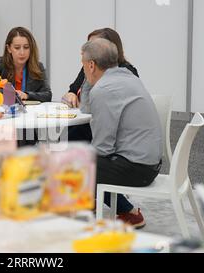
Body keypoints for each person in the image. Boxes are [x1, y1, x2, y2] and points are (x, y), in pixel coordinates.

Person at [81, 38, 163, 228]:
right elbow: (86, 110)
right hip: (149, 163)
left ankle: (123, 211)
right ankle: (117, 208)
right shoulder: (127, 76)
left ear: (91, 65)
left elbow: (102, 148)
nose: (84, 70)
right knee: (83, 157)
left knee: (75, 162)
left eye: (84, 65)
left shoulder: (103, 90)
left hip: (138, 169)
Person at [62, 28, 139, 142]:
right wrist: (71, 94)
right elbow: (73, 89)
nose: (89, 50)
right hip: (87, 123)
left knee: (67, 142)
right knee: (63, 138)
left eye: (93, 45)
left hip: (111, 131)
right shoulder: (90, 66)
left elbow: (103, 105)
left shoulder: (125, 71)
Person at [0, 26, 52, 103]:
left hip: (29, 113)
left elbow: (47, 95)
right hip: (5, 112)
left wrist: (26, 95)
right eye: (17, 48)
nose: (22, 52)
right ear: (9, 48)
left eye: (26, 47)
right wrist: (14, 95)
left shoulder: (38, 67)